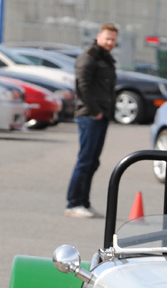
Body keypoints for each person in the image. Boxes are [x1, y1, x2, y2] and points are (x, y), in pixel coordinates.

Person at [65, 23, 119, 218]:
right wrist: (96, 112)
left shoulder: (105, 58)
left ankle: (84, 203)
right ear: (99, 37)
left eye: (113, 39)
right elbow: (83, 87)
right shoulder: (88, 57)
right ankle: (73, 203)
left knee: (93, 162)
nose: (110, 42)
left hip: (101, 116)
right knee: (85, 160)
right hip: (90, 116)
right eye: (107, 38)